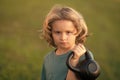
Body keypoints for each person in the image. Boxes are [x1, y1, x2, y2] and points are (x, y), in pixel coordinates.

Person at [41, 4, 94, 80]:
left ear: (78, 31)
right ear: (51, 33)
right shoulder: (47, 59)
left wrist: (74, 60)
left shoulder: (85, 57)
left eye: (68, 32)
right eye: (58, 32)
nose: (63, 38)